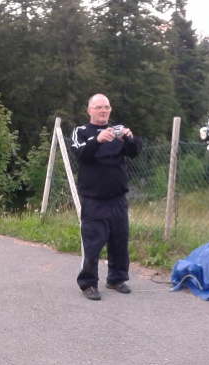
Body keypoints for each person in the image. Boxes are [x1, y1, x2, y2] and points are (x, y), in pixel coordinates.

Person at [70, 94, 141, 300]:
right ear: (89, 110)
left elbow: (135, 152)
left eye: (107, 107)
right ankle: (88, 283)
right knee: (92, 243)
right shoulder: (81, 132)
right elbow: (80, 153)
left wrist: (129, 138)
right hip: (94, 199)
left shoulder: (117, 130)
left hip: (118, 197)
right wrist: (98, 140)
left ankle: (116, 278)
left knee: (120, 240)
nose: (103, 111)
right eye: (99, 107)